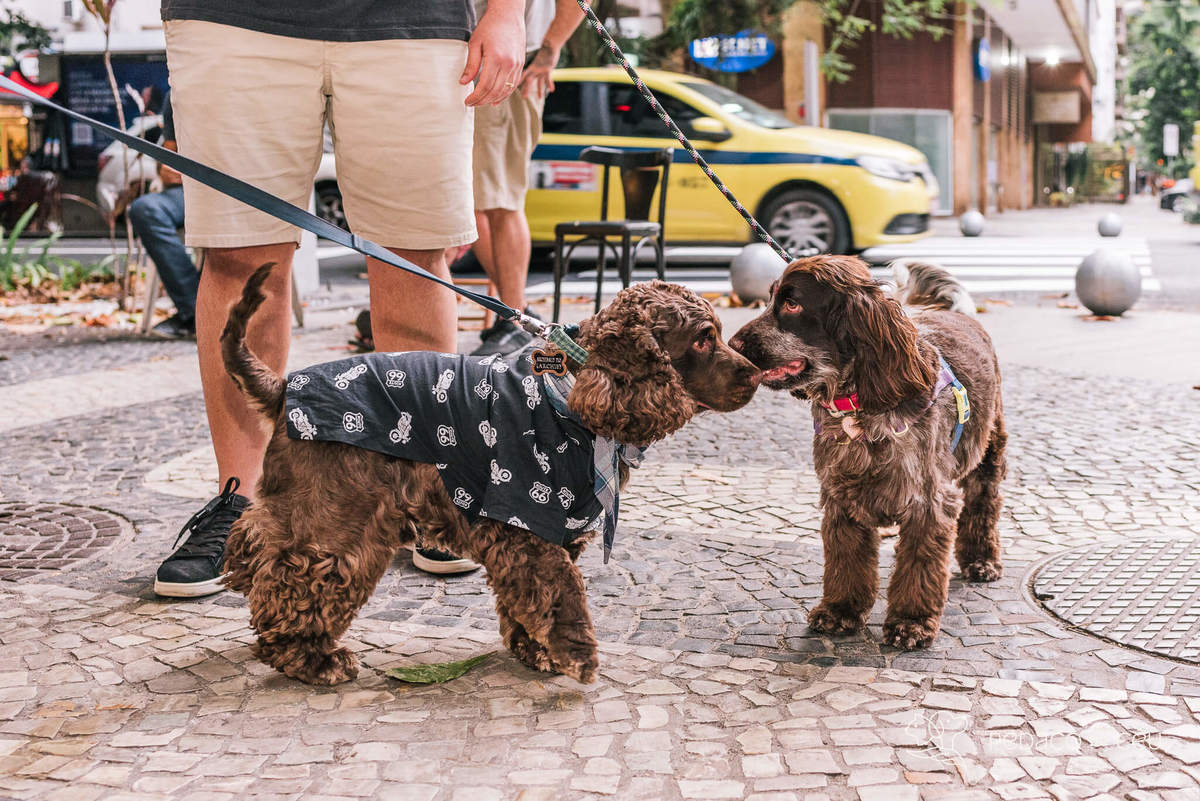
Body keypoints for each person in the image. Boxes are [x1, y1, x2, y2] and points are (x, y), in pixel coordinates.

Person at [152, 0, 527, 598]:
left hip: (417, 23)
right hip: (228, 18)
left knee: (414, 257)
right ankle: (241, 502)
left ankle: (427, 493)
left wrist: (507, 11)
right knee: (239, 255)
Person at [470, 0, 584, 356]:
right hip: (464, 56)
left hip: (504, 61)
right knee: (470, 203)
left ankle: (516, 319)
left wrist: (550, 49)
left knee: (500, 200)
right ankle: (516, 313)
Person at [128, 91, 199, 340]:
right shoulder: (178, 91)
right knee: (145, 209)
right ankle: (196, 310)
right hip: (191, 194)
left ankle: (215, 307)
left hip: (240, 193)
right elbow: (168, 169)